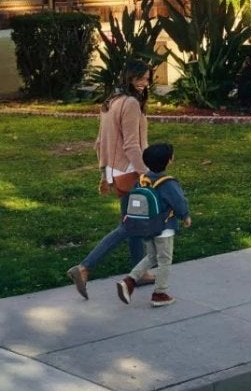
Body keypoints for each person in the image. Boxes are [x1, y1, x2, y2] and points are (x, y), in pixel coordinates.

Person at [67, 61, 155, 300]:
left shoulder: (110, 101)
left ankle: (139, 273)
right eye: (140, 78)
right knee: (130, 226)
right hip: (131, 172)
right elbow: (131, 145)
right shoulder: (131, 103)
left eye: (147, 79)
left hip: (117, 171)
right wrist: (146, 173)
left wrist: (105, 174)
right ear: (129, 77)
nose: (144, 83)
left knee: (133, 223)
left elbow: (100, 143)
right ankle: (84, 267)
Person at [116, 143, 191, 308]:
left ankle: (129, 281)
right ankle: (160, 293)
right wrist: (185, 216)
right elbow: (179, 202)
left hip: (147, 226)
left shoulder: (142, 180)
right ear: (169, 160)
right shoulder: (168, 183)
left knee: (151, 256)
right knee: (164, 260)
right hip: (164, 228)